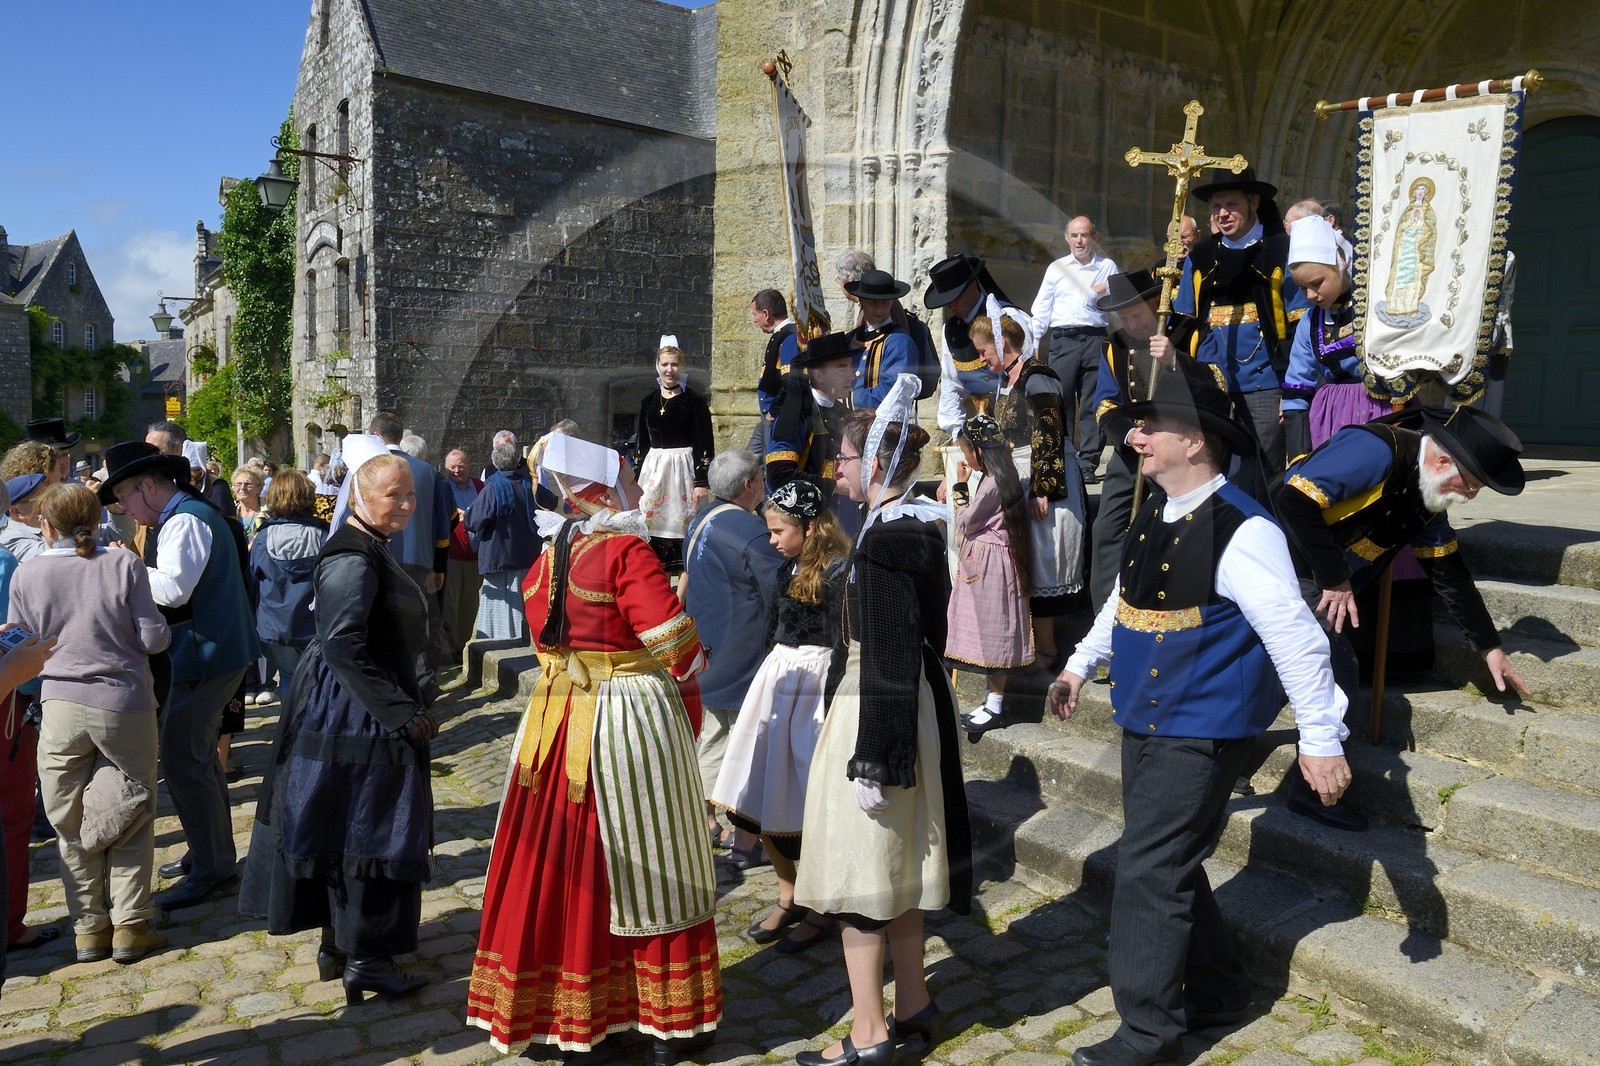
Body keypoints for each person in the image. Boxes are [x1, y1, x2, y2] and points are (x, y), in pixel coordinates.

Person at [1049, 361, 1351, 1066]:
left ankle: (1149, 1035)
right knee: (1168, 861)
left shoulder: (1246, 531)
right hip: (1146, 716)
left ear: (1199, 442)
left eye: (1154, 427)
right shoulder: (1157, 511)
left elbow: (1298, 638)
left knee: (1147, 869)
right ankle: (1219, 988)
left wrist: (1320, 739)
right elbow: (1125, 603)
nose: (1137, 437)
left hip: (1205, 730)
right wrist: (1078, 663)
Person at [467, 433, 719, 1063]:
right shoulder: (624, 551)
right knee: (653, 856)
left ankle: (557, 1009)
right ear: (603, 488)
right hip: (624, 718)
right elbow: (675, 646)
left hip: (555, 720)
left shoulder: (551, 555)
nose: (637, 489)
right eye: (629, 478)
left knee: (558, 859)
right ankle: (663, 1019)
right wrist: (695, 645)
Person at [793, 392, 971, 1065]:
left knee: (861, 871)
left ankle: (869, 1036)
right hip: (899, 700)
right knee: (894, 860)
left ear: (873, 461)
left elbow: (893, 649)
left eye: (842, 459)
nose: (835, 472)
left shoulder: (891, 537)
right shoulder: (911, 522)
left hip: (882, 707)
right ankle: (915, 1002)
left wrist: (877, 756)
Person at [243, 436, 435, 1004]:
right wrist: (400, 713)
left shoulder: (368, 543)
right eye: (391, 495)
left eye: (410, 495)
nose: (404, 505)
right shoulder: (352, 556)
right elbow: (345, 643)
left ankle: (342, 946)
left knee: (341, 823)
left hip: (352, 702)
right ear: (358, 493)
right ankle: (369, 959)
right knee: (370, 827)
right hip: (357, 711)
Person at [1272, 406, 1532, 801]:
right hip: (1278, 563)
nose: (1470, 496)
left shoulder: (1431, 495)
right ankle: (1316, 795)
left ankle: (1230, 753)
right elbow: (1292, 501)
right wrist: (1336, 578)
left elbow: (1450, 574)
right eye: (1472, 485)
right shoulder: (1376, 448)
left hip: (1318, 583)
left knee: (1282, 670)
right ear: (1444, 460)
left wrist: (1489, 647)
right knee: (1334, 664)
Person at [10, 482, 171, 964]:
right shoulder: (122, 564)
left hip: (59, 703)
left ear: (46, 525)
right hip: (122, 702)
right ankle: (130, 923)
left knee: (69, 821)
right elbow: (153, 638)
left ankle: (89, 928)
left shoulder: (29, 572)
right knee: (132, 811)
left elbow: (22, 647)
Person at [99, 440, 259, 910]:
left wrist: (124, 563)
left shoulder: (186, 518)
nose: (124, 507)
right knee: (196, 760)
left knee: (185, 760)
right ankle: (210, 855)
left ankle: (213, 868)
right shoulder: (186, 514)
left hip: (208, 654)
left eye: (125, 496)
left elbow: (171, 590)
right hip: (209, 652)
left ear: (148, 486)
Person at [712, 477, 848, 953]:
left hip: (814, 685)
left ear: (809, 528)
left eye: (778, 531)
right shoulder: (783, 571)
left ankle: (818, 903)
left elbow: (842, 641)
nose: (771, 541)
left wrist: (832, 700)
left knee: (803, 796)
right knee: (759, 793)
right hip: (777, 681)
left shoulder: (838, 573)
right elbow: (773, 631)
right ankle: (788, 891)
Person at [966, 306, 1087, 677]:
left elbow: (1049, 431)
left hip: (1046, 482)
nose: (982, 359)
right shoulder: (1008, 381)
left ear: (1002, 345)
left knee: (1045, 563)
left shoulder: (1039, 376)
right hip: (1021, 480)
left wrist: (1043, 489)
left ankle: (1048, 651)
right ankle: (1034, 646)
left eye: (984, 351)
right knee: (1028, 563)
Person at [682, 450, 787, 865]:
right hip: (740, 649)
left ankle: (704, 820)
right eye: (761, 477)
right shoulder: (752, 532)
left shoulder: (702, 519)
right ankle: (742, 837)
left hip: (706, 644)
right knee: (741, 746)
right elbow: (776, 594)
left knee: (710, 738)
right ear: (749, 485)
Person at [1174, 167, 1301, 488]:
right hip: (1212, 388)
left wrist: (1293, 390)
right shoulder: (1201, 258)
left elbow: (1300, 324)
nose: (1223, 214)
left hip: (1266, 388)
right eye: (1216, 206)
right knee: (1212, 477)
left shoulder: (1280, 251)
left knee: (1266, 478)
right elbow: (1186, 321)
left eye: (1231, 204)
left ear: (1254, 202)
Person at [1086, 271, 1201, 609]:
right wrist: (1128, 434)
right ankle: (1106, 617)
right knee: (1106, 528)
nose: (1131, 325)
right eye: (1124, 318)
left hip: (1181, 450)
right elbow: (1105, 404)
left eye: (1136, 315)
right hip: (1132, 449)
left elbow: (1216, 383)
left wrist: (1176, 361)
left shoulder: (1189, 332)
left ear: (1156, 304)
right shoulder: (1114, 346)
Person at [946, 414, 1034, 727]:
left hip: (991, 565)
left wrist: (959, 487)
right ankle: (990, 701)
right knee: (989, 632)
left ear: (979, 452)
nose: (965, 456)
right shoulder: (1000, 474)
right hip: (991, 560)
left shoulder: (991, 483)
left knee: (994, 632)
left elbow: (966, 522)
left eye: (966, 450)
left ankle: (994, 705)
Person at [1282, 215, 1387, 453]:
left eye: (1317, 283)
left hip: (1382, 413)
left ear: (1340, 261)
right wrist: (1298, 454)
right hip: (1329, 421)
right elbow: (1297, 385)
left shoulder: (1375, 307)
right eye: (1302, 287)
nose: (1309, 295)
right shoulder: (1310, 321)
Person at [1030, 216, 1119, 483]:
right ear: (1067, 238)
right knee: (1061, 400)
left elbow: (1114, 305)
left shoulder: (1107, 266)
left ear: (1094, 238)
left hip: (1094, 338)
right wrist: (1034, 343)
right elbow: (1041, 307)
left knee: (1093, 402)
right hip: (1063, 340)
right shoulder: (1057, 268)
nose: (1080, 241)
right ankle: (1064, 458)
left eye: (1085, 235)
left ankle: (1088, 463)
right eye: (1074, 235)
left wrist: (1100, 293)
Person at [637, 335, 715, 574]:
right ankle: (655, 579)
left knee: (683, 525)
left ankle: (683, 586)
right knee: (649, 522)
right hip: (654, 471)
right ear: (657, 366)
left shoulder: (694, 401)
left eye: (674, 364)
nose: (669, 370)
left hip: (683, 470)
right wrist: (636, 475)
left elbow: (704, 441)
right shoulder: (648, 401)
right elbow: (642, 442)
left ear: (681, 366)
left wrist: (701, 481)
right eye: (664, 364)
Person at [249, 471, 327, 705]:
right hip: (313, 621)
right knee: (318, 681)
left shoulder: (263, 537)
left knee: (288, 679)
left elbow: (253, 578)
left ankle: (289, 733)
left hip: (276, 622)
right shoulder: (324, 534)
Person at [765, 331, 857, 495]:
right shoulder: (797, 415)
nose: (852, 376)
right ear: (819, 375)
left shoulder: (844, 413)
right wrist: (833, 487)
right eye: (842, 369)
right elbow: (777, 477)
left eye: (851, 367)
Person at [465, 440, 540, 641]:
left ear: (495, 463)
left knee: (498, 606)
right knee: (522, 600)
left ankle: (499, 644)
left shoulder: (492, 487)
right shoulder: (529, 484)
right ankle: (523, 640)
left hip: (498, 554)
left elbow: (474, 521)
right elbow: (549, 502)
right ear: (517, 461)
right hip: (527, 554)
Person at [845, 269, 919, 409]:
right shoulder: (850, 338)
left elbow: (895, 391)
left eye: (885, 303)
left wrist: (849, 399)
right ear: (861, 300)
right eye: (873, 303)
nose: (879, 309)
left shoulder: (899, 342)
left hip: (884, 426)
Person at [439, 448, 484, 658]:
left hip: (476, 556)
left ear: (469, 465)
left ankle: (463, 648)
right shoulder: (442, 488)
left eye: (461, 465)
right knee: (450, 605)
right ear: (445, 468)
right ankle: (450, 648)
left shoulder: (480, 486)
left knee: (470, 604)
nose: (457, 470)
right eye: (452, 467)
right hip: (452, 556)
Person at [752, 288, 800, 430]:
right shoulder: (780, 334)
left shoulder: (789, 336)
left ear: (766, 314)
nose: (755, 320)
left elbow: (790, 379)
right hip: (769, 414)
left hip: (776, 416)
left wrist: (773, 411)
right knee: (749, 452)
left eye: (755, 314)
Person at [2, 474, 47, 563]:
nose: (50, 502)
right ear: (16, 512)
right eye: (40, 499)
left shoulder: (44, 525)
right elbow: (56, 556)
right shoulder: (10, 540)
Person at [232, 466, 266, 539]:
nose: (242, 488)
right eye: (239, 484)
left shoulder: (269, 513)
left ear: (260, 488)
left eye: (248, 484)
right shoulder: (230, 513)